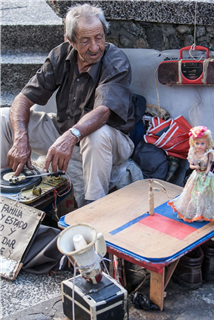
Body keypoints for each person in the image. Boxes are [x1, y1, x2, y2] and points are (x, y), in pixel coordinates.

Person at [0, 4, 135, 207]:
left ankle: (92, 209)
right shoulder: (61, 55)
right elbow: (23, 98)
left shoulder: (115, 61)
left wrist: (71, 135)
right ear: (70, 40)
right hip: (65, 129)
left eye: (99, 37)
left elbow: (103, 112)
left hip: (111, 140)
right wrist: (20, 138)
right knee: (4, 119)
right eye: (85, 40)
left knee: (95, 135)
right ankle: (8, 186)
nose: (95, 47)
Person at [168, 126, 214, 222]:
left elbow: (209, 166)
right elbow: (191, 166)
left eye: (202, 143)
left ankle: (205, 212)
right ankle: (195, 212)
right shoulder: (193, 152)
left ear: (207, 143)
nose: (199, 146)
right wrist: (196, 167)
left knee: (208, 195)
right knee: (194, 194)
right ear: (194, 143)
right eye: (197, 143)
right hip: (196, 175)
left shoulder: (209, 153)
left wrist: (205, 175)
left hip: (207, 176)